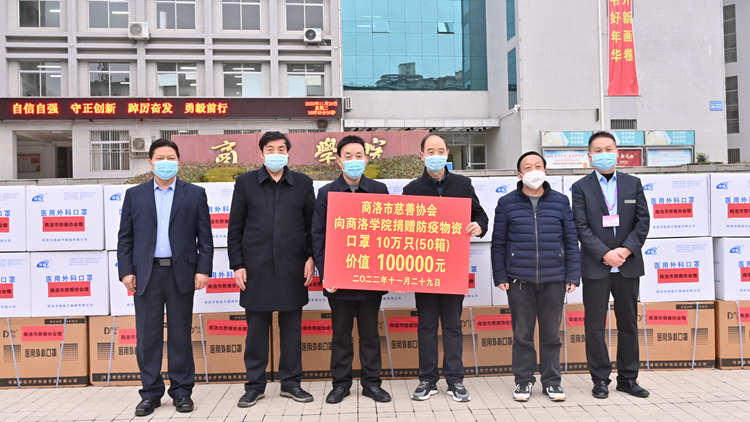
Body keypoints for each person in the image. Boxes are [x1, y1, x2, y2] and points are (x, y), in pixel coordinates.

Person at [117, 138, 214, 417]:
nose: (165, 163)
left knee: (181, 334)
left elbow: (205, 238)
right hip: (146, 274)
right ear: (150, 163)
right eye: (160, 158)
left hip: (181, 272)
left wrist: (203, 270)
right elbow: (125, 238)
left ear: (179, 162)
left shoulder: (194, 194)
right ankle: (150, 394)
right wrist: (126, 271)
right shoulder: (134, 195)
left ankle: (182, 392)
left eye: (171, 158)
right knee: (147, 337)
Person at [228, 131, 316, 408]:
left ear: (288, 153)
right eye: (270, 149)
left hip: (293, 267)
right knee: (256, 332)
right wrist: (237, 264)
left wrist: (311, 258)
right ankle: (255, 386)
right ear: (262, 153)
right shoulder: (245, 183)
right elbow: (235, 227)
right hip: (256, 269)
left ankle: (291, 383)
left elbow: (312, 226)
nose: (276, 153)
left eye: (281, 149)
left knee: (291, 331)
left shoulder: (303, 183)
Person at [402, 134, 488, 402]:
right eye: (430, 151)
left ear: (447, 153)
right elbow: (403, 230)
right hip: (424, 268)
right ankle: (427, 379)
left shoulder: (463, 184)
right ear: (422, 156)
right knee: (426, 326)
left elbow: (480, 215)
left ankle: (455, 380)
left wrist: (479, 225)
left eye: (440, 150)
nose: (436, 155)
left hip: (453, 266)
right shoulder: (412, 189)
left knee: (452, 325)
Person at [490, 151, 580, 402]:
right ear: (519, 175)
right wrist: (500, 275)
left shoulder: (560, 201)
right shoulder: (506, 203)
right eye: (527, 167)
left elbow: (571, 241)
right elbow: (498, 243)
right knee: (522, 335)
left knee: (551, 335)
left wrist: (573, 274)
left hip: (554, 279)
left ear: (546, 171)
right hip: (519, 279)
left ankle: (552, 382)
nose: (533, 171)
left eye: (538, 166)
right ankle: (523, 381)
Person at [311, 135, 392, 404]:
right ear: (338, 160)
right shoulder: (327, 193)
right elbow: (318, 236)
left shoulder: (379, 190)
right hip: (339, 280)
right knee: (341, 335)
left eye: (359, 156)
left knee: (370, 334)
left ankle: (372, 383)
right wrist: (327, 273)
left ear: (366, 159)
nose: (354, 161)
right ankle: (341, 384)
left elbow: (389, 234)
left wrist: (389, 271)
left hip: (370, 278)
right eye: (348, 156)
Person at [571, 131, 650, 399]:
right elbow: (581, 227)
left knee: (628, 323)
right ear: (590, 156)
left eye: (609, 149)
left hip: (627, 265)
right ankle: (600, 379)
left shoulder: (633, 183)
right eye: (598, 150)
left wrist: (625, 250)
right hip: (596, 265)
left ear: (617, 152)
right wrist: (605, 254)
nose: (604, 154)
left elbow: (642, 222)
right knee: (594, 325)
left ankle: (628, 378)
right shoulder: (580, 187)